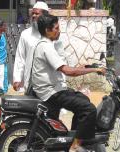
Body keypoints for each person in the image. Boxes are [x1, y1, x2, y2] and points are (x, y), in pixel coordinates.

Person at [26, 14, 105, 152]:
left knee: (83, 99)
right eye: (56, 28)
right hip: (51, 92)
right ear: (47, 30)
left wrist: (86, 66)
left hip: (52, 89)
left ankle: (75, 135)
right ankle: (75, 146)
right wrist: (95, 69)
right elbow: (69, 71)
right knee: (89, 109)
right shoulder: (46, 47)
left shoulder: (44, 44)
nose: (59, 30)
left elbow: (63, 66)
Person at [13, 1, 64, 91]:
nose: (33, 16)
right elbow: (20, 58)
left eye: (37, 14)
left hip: (50, 84)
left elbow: (61, 58)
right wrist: (17, 78)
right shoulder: (25, 34)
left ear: (45, 16)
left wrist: (63, 81)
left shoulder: (53, 34)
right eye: (32, 13)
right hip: (30, 84)